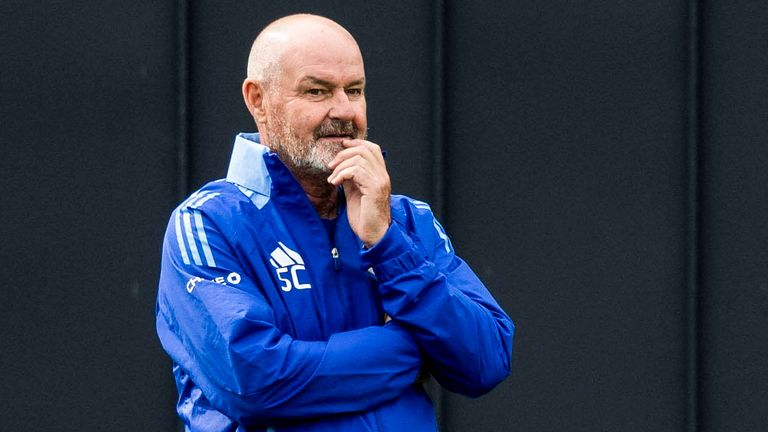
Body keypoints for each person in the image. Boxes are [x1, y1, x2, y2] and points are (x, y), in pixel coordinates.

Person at [156, 14, 514, 432]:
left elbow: (487, 360)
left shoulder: (405, 220)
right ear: (258, 100)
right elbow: (253, 382)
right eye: (317, 91)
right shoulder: (207, 223)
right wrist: (415, 347)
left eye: (355, 90)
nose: (344, 111)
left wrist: (386, 244)